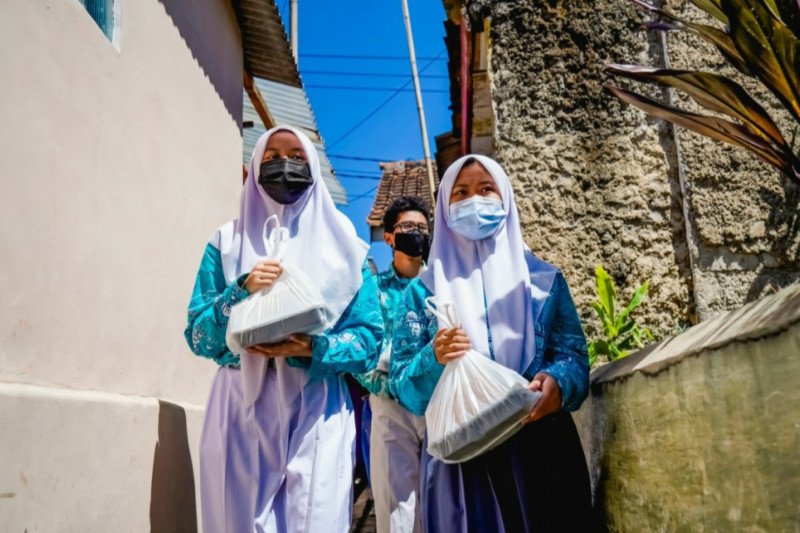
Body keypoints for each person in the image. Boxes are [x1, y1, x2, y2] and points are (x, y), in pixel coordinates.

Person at [184, 125, 383, 533]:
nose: (283, 163)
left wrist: (313, 347)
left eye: (294, 153)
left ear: (311, 164)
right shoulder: (225, 244)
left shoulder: (346, 248)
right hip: (240, 401)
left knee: (316, 518)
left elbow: (369, 341)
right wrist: (240, 292)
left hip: (317, 400)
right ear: (255, 167)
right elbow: (198, 334)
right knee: (237, 519)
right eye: (271, 156)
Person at [389, 154, 592, 532]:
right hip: (464, 464)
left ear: (506, 199)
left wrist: (558, 383)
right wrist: (433, 357)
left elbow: (574, 356)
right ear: (445, 209)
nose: (474, 201)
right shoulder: (422, 295)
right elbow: (403, 387)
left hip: (541, 449)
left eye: (486, 189)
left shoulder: (544, 282)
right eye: (460, 193)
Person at [356, 196, 432, 533]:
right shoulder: (372, 290)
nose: (415, 233)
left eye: (422, 228)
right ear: (389, 237)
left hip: (435, 402)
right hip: (388, 405)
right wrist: (389, 385)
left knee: (442, 501)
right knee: (396, 507)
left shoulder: (440, 284)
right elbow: (361, 352)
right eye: (407, 227)